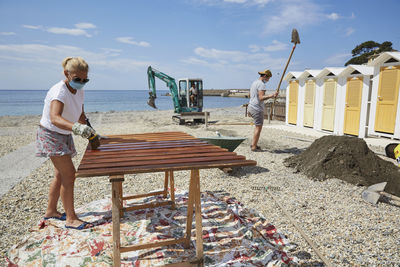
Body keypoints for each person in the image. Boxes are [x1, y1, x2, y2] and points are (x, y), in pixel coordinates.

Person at [36, 57, 96, 230]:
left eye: (85, 80)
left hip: (64, 133)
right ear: (66, 74)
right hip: (51, 134)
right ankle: (70, 218)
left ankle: (51, 211)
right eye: (78, 79)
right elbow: (55, 118)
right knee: (69, 174)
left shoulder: (80, 90)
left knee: (60, 174)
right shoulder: (59, 91)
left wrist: (92, 133)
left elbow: (80, 115)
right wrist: (77, 128)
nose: (82, 83)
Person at [247, 69, 278, 152]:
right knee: (258, 127)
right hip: (256, 108)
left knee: (257, 126)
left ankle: (254, 144)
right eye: (268, 78)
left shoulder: (254, 82)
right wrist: (272, 95)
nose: (268, 80)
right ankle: (254, 146)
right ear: (265, 76)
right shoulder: (262, 85)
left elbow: (250, 95)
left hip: (251, 106)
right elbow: (261, 98)